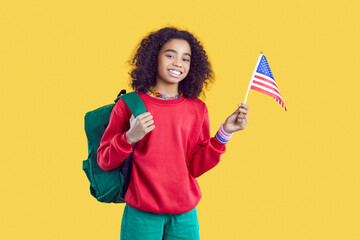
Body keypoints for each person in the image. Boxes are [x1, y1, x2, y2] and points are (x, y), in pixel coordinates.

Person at [97, 27, 249, 240]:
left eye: (185, 59)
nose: (178, 63)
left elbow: (195, 166)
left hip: (185, 216)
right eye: (170, 55)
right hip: (141, 215)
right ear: (154, 58)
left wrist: (225, 133)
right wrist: (129, 137)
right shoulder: (128, 104)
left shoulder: (197, 109)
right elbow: (104, 160)